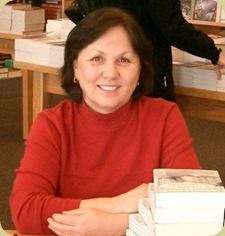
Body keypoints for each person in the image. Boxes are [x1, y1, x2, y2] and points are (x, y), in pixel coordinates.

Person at [10, 7, 201, 235]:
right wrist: (115, 204)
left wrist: (115, 225)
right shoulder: (52, 124)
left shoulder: (164, 117)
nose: (110, 72)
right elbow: (26, 210)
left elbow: (192, 205)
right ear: (75, 69)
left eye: (124, 60)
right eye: (97, 58)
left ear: (140, 70)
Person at [65, 0, 225, 101]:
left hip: (102, 64)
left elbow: (82, 14)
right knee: (153, 133)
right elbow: (172, 27)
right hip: (144, 67)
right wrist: (212, 52)